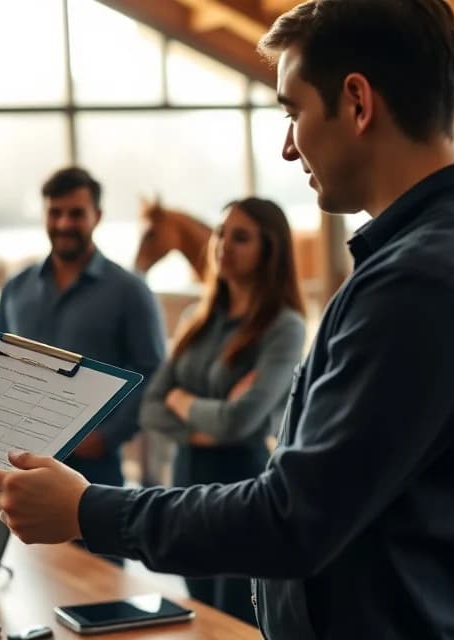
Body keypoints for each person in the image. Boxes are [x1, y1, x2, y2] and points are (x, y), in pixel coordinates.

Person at [0, 1, 454, 637]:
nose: (289, 144)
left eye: (293, 110)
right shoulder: (435, 256)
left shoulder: (428, 281)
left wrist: (89, 511)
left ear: (357, 102)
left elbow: (292, 516)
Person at [138, 197, 306, 622]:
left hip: (241, 486)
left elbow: (240, 422)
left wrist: (183, 399)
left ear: (270, 250)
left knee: (234, 618)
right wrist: (200, 422)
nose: (223, 245)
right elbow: (153, 406)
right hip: (186, 481)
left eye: (241, 237)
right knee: (198, 613)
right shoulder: (197, 317)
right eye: (221, 233)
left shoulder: (284, 327)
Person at [0, 166, 166, 488]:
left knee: (89, 541)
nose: (63, 224)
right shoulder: (15, 289)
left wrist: (106, 438)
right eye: (55, 213)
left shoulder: (130, 291)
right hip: (16, 463)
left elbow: (153, 374)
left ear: (97, 216)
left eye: (76, 214)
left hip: (94, 471)